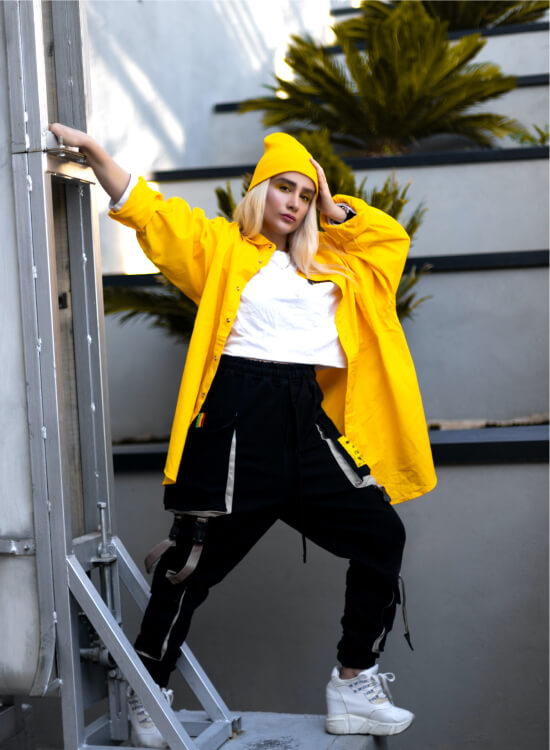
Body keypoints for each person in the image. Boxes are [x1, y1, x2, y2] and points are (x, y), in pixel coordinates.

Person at [49, 124, 437, 747]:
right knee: (190, 568)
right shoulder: (223, 249)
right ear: (259, 191)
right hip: (235, 419)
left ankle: (353, 682)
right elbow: (151, 213)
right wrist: (96, 154)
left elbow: (390, 243)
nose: (295, 203)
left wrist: (333, 205)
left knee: (381, 535)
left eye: (304, 195)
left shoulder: (335, 265)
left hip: (306, 421)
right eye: (284, 188)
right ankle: (148, 689)